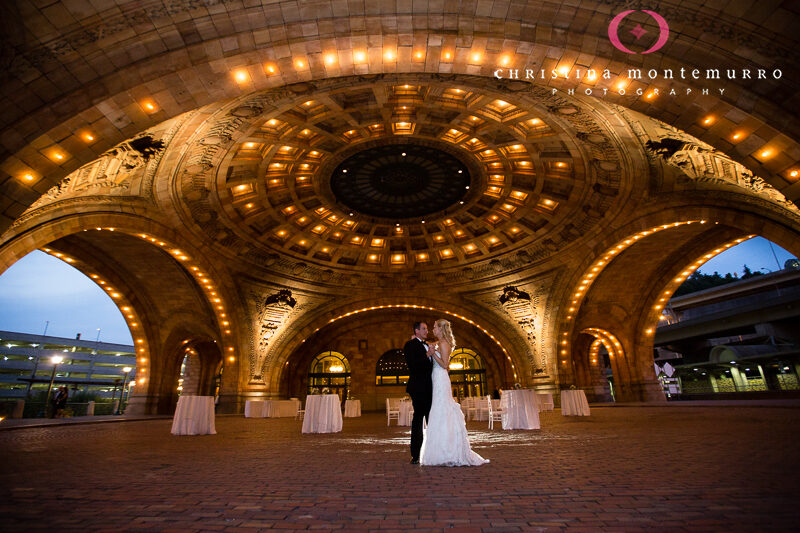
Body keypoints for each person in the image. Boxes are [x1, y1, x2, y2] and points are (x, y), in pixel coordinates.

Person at [420, 319, 489, 466]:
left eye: (435, 327)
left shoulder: (444, 344)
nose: (433, 330)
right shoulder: (440, 343)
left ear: (441, 329)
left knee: (443, 409)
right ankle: (440, 449)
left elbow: (445, 365)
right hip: (436, 377)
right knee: (437, 410)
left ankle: (449, 449)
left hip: (440, 378)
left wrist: (433, 354)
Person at [403, 321, 432, 464]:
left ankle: (433, 451)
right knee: (419, 419)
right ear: (416, 331)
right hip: (419, 389)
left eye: (427, 328)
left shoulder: (429, 345)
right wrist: (427, 354)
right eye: (424, 328)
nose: (427, 331)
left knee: (432, 420)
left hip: (431, 389)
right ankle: (416, 453)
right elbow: (413, 366)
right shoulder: (410, 345)